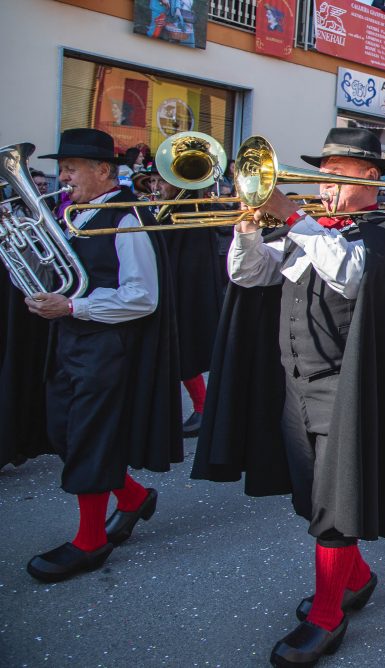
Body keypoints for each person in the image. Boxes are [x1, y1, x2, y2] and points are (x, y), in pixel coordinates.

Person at [193, 127, 385, 665]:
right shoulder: (310, 227)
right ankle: (357, 578)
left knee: (334, 503)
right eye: (321, 175)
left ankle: (327, 616)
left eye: (335, 175)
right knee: (312, 494)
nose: (323, 186)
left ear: (370, 177)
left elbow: (350, 276)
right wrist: (248, 231)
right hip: (294, 382)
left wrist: (293, 217)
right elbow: (250, 277)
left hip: (346, 387)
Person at [18, 128, 180, 583]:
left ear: (103, 170)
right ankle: (132, 497)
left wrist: (74, 307)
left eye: (71, 169)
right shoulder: (73, 214)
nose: (63, 177)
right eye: (63, 169)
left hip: (107, 346)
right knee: (64, 431)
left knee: (87, 438)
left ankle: (90, 542)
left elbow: (143, 296)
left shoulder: (125, 219)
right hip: (71, 339)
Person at [149, 171, 227, 434]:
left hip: (183, 293)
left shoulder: (190, 213)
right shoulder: (171, 210)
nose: (156, 186)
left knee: (183, 351)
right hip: (174, 290)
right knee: (178, 354)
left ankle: (203, 409)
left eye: (162, 181)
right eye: (154, 181)